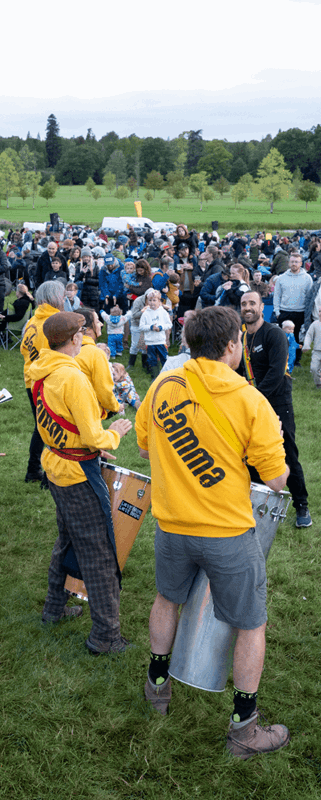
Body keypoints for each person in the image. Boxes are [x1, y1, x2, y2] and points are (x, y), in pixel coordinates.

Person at [136, 306, 290, 758]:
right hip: (228, 533)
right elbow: (277, 480)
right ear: (231, 346)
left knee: (167, 600)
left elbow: (144, 449)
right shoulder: (251, 400)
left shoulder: (163, 386)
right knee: (251, 624)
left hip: (171, 526)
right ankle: (244, 729)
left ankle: (157, 688)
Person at [29, 312, 133, 653]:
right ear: (76, 338)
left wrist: (86, 445)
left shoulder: (41, 369)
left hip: (57, 465)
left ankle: (53, 609)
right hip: (77, 474)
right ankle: (106, 636)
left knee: (67, 539)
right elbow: (92, 435)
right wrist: (113, 434)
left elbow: (59, 423)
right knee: (98, 553)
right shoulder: (72, 377)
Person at [239, 291, 311, 527]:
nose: (247, 307)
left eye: (252, 303)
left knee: (287, 452)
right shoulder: (242, 337)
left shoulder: (274, 334)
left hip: (277, 402)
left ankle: (302, 506)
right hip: (253, 404)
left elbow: (276, 372)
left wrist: (253, 398)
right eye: (244, 304)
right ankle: (260, 503)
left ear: (262, 307)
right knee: (252, 454)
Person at [20, 281, 64, 484]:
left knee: (41, 426)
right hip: (47, 381)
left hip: (31, 379)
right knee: (52, 428)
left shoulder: (33, 320)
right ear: (55, 297)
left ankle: (33, 470)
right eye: (62, 295)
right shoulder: (55, 322)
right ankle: (48, 475)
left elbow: (23, 349)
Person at [75, 307, 120, 418]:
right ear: (88, 329)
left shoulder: (68, 348)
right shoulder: (96, 354)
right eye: (97, 321)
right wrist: (115, 407)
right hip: (87, 412)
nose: (101, 324)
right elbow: (104, 390)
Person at [272, 253, 313, 367]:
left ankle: (296, 361)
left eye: (296, 262)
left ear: (301, 263)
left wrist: (307, 314)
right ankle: (282, 359)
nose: (294, 264)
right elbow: (277, 296)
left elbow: (309, 297)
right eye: (292, 261)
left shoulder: (307, 278)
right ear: (289, 263)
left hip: (300, 312)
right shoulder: (281, 278)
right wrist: (277, 312)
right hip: (284, 312)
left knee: (298, 337)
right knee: (283, 337)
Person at [139, 288, 172, 377]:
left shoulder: (163, 312)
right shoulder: (145, 313)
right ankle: (155, 376)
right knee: (152, 360)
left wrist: (161, 328)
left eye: (154, 300)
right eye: (150, 300)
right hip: (150, 342)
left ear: (159, 301)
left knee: (164, 358)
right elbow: (141, 326)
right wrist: (150, 327)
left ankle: (166, 375)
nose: (152, 302)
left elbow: (169, 324)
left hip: (160, 341)